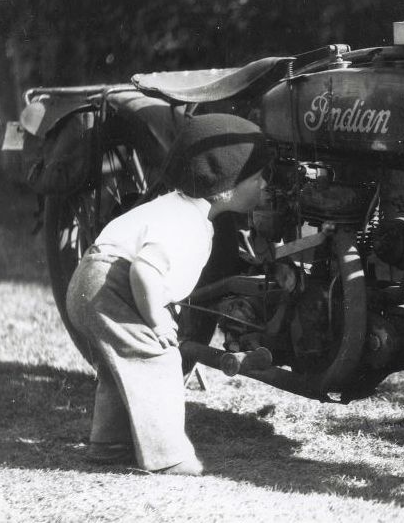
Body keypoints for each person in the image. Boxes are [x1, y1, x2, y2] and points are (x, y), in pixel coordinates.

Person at [64, 113, 271, 475]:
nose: (265, 184)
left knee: (124, 362)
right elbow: (145, 270)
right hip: (112, 284)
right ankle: (168, 457)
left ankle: (109, 443)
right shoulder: (187, 224)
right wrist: (158, 319)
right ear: (224, 189)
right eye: (257, 178)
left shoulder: (176, 207)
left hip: (90, 280)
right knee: (157, 359)